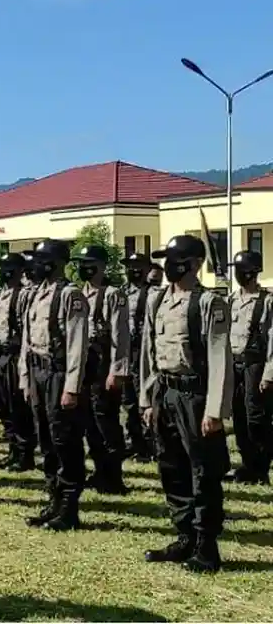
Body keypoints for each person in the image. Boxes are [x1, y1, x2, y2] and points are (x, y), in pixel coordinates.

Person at [140, 235, 232, 573]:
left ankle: (206, 547)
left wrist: (215, 410)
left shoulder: (209, 302)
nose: (168, 266)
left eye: (175, 259)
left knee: (202, 472)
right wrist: (147, 399)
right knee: (171, 467)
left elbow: (219, 356)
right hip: (166, 393)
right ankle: (184, 537)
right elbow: (148, 355)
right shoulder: (159, 301)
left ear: (194, 263)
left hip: (195, 396)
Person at [19, 239, 89, 531]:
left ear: (54, 262)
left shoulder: (70, 295)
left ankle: (69, 508)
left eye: (39, 259)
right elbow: (27, 338)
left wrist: (72, 386)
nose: (34, 264)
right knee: (46, 439)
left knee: (65, 441)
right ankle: (53, 500)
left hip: (59, 374)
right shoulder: (36, 293)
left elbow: (77, 344)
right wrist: (25, 375)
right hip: (38, 372)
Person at [70, 245, 131, 495]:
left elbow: (120, 335)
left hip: (104, 363)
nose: (84, 268)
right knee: (88, 423)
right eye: (81, 263)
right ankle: (98, 469)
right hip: (85, 365)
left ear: (102, 266)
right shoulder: (78, 293)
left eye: (89, 263)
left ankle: (113, 476)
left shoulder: (112, 295)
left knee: (106, 422)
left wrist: (116, 371)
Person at [227, 250, 272, 485]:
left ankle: (261, 467)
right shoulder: (231, 299)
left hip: (256, 365)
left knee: (257, 418)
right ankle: (247, 465)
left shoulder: (267, 301)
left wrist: (269, 373)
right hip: (235, 365)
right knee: (239, 418)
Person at [0, 252, 36, 472]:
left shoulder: (25, 294)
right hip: (1, 354)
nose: (4, 271)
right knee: (4, 405)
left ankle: (25, 453)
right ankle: (13, 450)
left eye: (8, 267)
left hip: (17, 354)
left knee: (19, 406)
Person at [121, 253, 157, 462]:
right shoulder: (120, 293)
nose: (134, 270)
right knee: (128, 401)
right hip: (124, 351)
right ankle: (133, 440)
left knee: (145, 397)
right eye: (130, 266)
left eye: (138, 266)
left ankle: (148, 443)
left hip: (142, 351)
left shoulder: (153, 293)